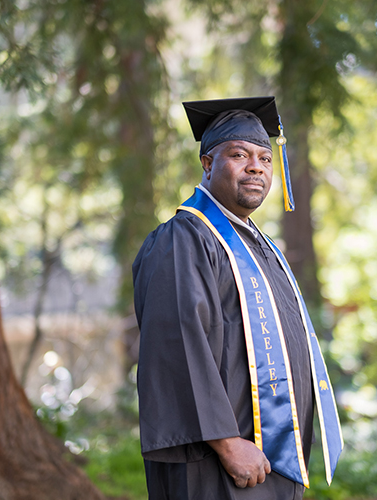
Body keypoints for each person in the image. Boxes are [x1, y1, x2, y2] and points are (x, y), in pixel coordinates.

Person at [133, 97, 342, 500]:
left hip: (269, 458)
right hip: (217, 462)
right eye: (239, 154)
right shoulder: (184, 239)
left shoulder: (260, 247)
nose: (256, 167)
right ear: (208, 165)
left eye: (265, 159)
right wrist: (227, 443)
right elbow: (177, 345)